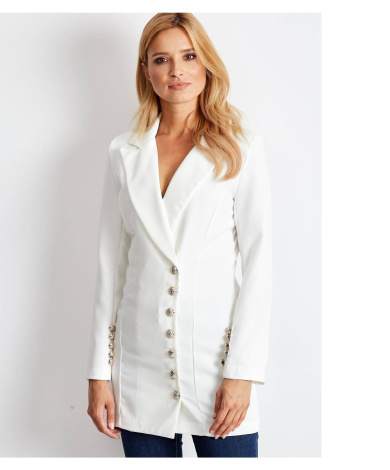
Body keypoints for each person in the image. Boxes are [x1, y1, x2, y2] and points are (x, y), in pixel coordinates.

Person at [86, 12, 272, 458]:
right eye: (161, 59)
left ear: (206, 63)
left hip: (216, 367)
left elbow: (259, 264)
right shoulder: (123, 152)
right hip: (139, 371)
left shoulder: (240, 147)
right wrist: (98, 373)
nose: (176, 71)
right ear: (146, 71)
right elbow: (111, 267)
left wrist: (243, 371)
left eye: (189, 56)